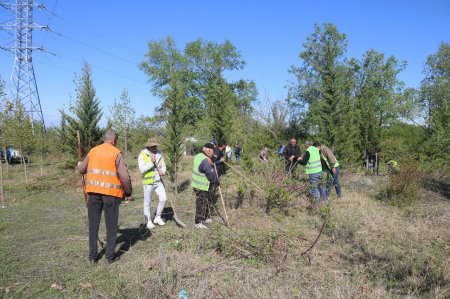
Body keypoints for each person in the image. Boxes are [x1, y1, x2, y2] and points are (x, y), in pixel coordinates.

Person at [77, 129, 132, 265]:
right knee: (111, 226)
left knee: (93, 225)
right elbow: (124, 177)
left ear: (105, 139)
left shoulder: (93, 151)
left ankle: (92, 256)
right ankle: (110, 256)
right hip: (111, 195)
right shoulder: (116, 153)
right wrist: (128, 191)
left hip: (93, 193)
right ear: (114, 140)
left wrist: (79, 164)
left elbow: (82, 169)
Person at [138, 137, 167, 229]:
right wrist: (151, 163)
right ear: (148, 147)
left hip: (158, 181)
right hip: (148, 183)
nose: (154, 147)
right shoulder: (142, 155)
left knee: (164, 199)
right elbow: (142, 169)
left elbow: (163, 165)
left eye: (155, 146)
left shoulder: (159, 153)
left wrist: (162, 171)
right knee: (147, 202)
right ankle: (148, 221)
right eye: (152, 146)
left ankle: (157, 217)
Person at [191, 143, 219, 228]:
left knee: (205, 201)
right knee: (201, 203)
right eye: (212, 151)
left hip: (197, 184)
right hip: (201, 185)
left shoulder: (199, 155)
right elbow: (210, 173)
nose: (212, 153)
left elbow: (208, 161)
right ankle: (198, 222)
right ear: (209, 150)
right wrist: (216, 182)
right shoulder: (205, 160)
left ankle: (205, 217)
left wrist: (213, 159)